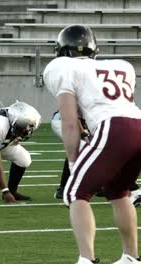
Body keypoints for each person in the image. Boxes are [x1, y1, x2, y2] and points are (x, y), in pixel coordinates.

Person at [44, 24, 141, 264]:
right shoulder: (120, 66)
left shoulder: (62, 67)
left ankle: (86, 260)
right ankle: (131, 257)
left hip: (113, 128)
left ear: (62, 50)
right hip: (138, 124)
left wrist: (73, 160)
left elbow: (68, 121)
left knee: (75, 192)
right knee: (119, 192)